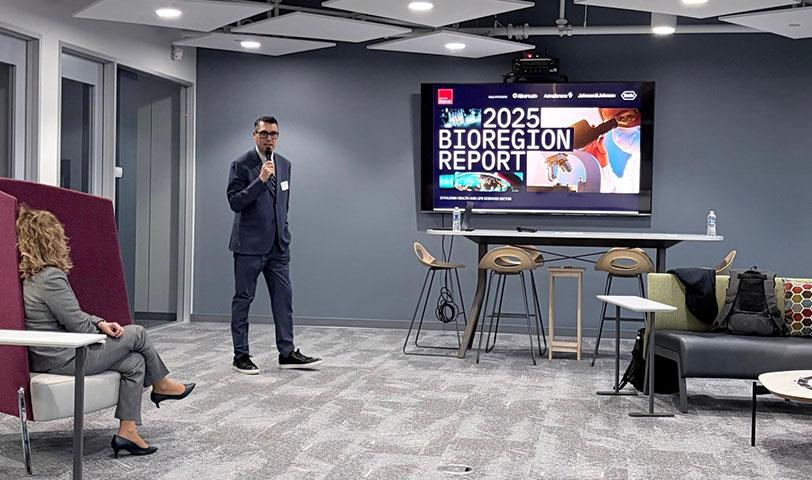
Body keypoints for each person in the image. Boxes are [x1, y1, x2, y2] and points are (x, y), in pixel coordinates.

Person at [16, 205, 195, 458]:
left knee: (135, 362)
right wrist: (98, 327)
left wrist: (100, 323)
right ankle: (161, 384)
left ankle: (127, 432)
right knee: (138, 333)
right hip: (62, 357)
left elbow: (70, 315)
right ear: (50, 239)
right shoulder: (50, 277)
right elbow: (77, 325)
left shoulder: (33, 277)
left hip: (49, 355)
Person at [227, 115, 322, 374]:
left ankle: (287, 352)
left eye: (274, 134)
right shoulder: (241, 164)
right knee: (243, 300)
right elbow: (235, 202)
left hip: (278, 247)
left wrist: (284, 231)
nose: (269, 138)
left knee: (283, 300)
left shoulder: (285, 164)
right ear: (254, 135)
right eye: (264, 134)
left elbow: (283, 204)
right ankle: (241, 355)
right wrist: (259, 181)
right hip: (248, 247)